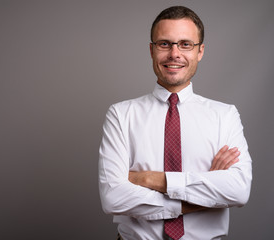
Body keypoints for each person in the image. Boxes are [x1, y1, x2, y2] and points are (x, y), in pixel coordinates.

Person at [98, 6, 252, 240]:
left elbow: (238, 191)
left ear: (200, 51)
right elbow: (113, 198)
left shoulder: (225, 116)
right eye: (164, 44)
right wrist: (204, 194)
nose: (174, 53)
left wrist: (151, 179)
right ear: (151, 50)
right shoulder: (121, 114)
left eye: (185, 44)